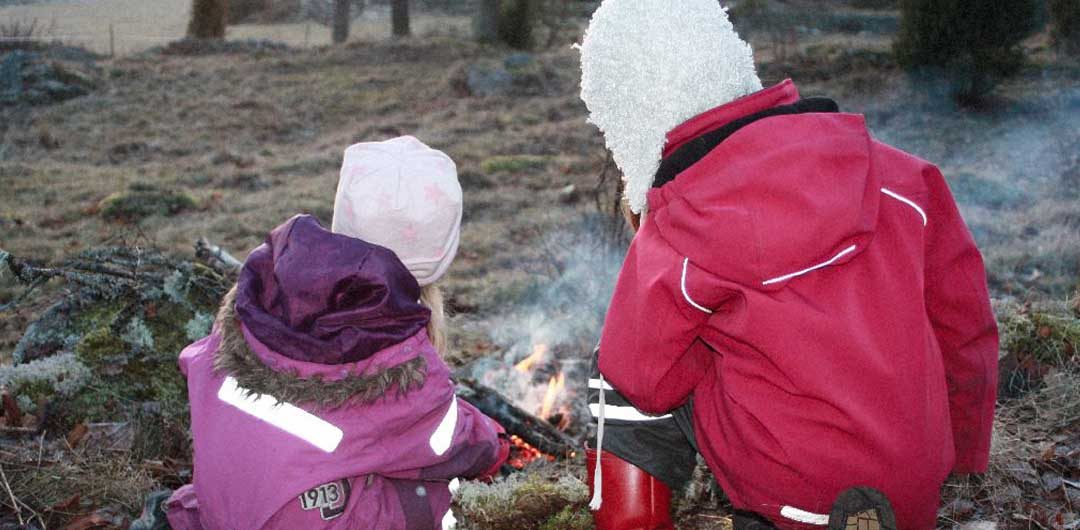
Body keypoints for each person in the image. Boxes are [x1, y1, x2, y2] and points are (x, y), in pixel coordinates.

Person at [578, 2, 999, 530]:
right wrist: (962, 454)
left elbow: (646, 383)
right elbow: (966, 331)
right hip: (912, 499)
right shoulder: (906, 180)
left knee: (620, 362)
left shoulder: (679, 227)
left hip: (793, 504)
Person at [164, 136, 509, 530]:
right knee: (437, 494)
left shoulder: (260, 292)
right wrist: (498, 442)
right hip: (307, 519)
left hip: (223, 507)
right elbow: (453, 442)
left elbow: (196, 362)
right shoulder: (402, 361)